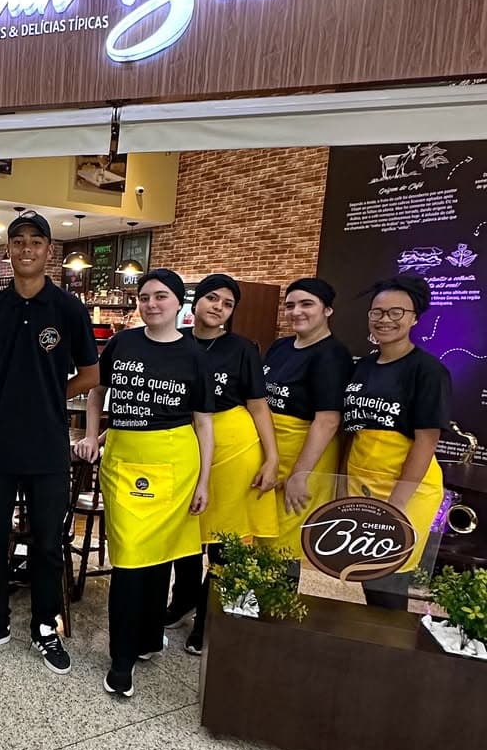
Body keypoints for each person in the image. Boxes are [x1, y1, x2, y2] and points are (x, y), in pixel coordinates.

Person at [0, 210, 99, 675]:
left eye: (36, 241)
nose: (27, 248)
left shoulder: (69, 310)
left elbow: (92, 374)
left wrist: (46, 397)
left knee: (47, 543)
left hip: (47, 447)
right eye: (18, 241)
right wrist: (1, 395)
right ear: (9, 249)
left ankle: (43, 624)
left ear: (49, 251)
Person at [77, 268, 214, 699]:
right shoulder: (122, 343)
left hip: (175, 461)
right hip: (125, 460)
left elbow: (204, 423)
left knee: (159, 557)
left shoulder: (195, 355)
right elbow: (97, 391)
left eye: (160, 297)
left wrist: (204, 481)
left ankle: (150, 637)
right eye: (144, 297)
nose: (151, 304)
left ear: (178, 304)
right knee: (131, 558)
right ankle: (121, 659)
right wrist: (90, 434)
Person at [164, 274, 279, 654]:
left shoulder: (242, 348)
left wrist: (272, 457)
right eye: (212, 298)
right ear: (194, 302)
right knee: (185, 533)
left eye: (227, 304)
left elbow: (259, 405)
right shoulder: (175, 342)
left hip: (233, 446)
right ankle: (183, 600)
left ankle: (209, 616)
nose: (218, 307)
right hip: (184, 443)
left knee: (224, 539)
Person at [342, 276, 451, 609]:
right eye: (377, 312)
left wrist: (396, 506)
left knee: (389, 578)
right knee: (368, 575)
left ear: (415, 317)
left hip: (406, 489)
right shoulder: (362, 367)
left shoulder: (428, 370)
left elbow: (426, 441)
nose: (384, 319)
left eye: (396, 312)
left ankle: (392, 653)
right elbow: (353, 430)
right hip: (363, 482)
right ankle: (380, 649)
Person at [259, 278, 354, 561]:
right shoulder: (281, 347)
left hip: (306, 458)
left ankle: (276, 605)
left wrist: (300, 475)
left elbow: (327, 421)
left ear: (327, 310)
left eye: (306, 304)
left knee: (285, 546)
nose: (296, 311)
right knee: (262, 536)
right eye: (290, 305)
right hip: (274, 454)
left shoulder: (332, 355)